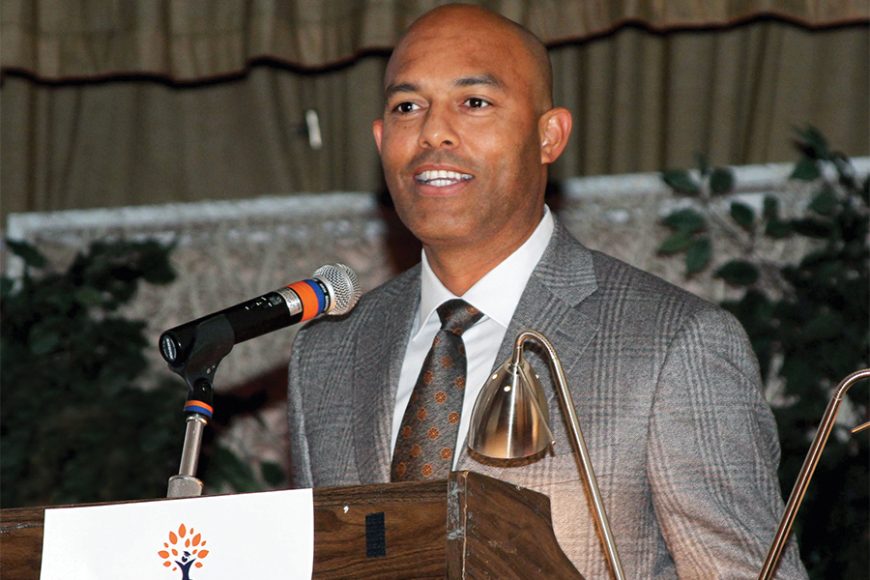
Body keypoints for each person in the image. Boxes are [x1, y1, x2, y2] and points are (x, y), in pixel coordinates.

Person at [288, 4, 807, 577]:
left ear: (549, 135)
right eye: (408, 107)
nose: (433, 131)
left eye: (474, 103)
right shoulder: (327, 354)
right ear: (382, 139)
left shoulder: (674, 345)